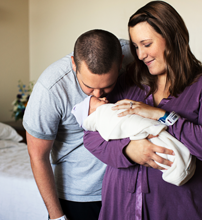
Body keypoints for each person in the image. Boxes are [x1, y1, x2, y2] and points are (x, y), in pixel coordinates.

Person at [83, 1, 202, 220]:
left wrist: (163, 116)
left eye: (146, 44)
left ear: (171, 37)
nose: (141, 54)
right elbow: (91, 136)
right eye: (136, 46)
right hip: (120, 207)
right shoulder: (128, 81)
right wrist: (127, 150)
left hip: (177, 209)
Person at [22, 30, 138, 220]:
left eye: (107, 86)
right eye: (89, 86)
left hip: (127, 189)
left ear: (120, 63)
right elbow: (37, 156)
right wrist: (56, 216)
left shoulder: (133, 55)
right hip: (79, 197)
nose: (98, 94)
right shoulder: (51, 89)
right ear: (74, 63)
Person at [71, 95, 196, 186]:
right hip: (145, 136)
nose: (104, 98)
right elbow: (120, 124)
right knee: (163, 151)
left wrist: (160, 116)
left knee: (165, 146)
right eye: (98, 100)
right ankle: (178, 166)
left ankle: (180, 165)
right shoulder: (102, 116)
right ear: (89, 113)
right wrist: (131, 145)